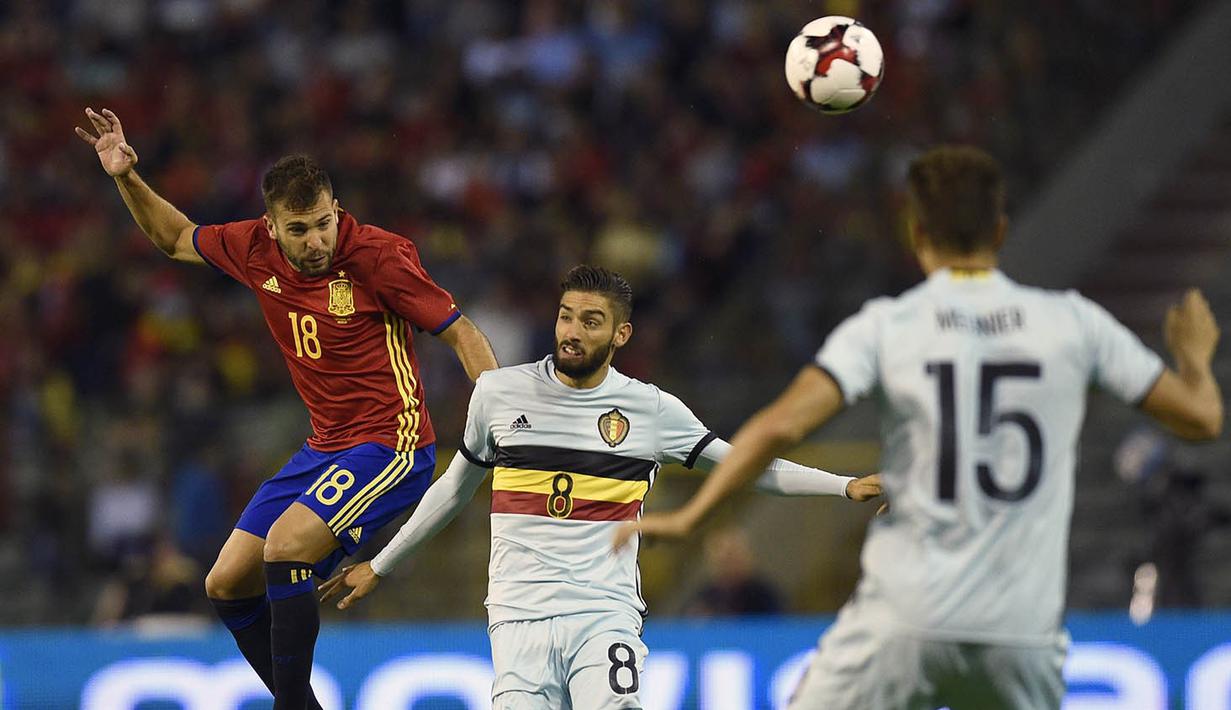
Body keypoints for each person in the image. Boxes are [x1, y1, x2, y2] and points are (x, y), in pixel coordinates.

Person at [615, 145, 1223, 710]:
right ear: (1002, 231)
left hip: (904, 620)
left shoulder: (888, 327)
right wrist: (1194, 357)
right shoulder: (1074, 324)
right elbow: (1202, 418)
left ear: (917, 234)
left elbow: (777, 428)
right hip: (1020, 632)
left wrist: (694, 518)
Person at [76, 107, 499, 710]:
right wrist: (124, 176)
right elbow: (173, 238)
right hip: (322, 449)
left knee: (285, 545)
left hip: (393, 444)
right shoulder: (251, 248)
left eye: (323, 223)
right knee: (225, 584)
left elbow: (463, 334)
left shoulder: (379, 256)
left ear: (337, 210)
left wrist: (499, 409)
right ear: (271, 227)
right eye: (298, 230)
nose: (315, 241)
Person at [318, 265, 883, 709]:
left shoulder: (651, 408)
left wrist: (843, 486)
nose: (572, 331)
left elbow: (744, 466)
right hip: (517, 615)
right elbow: (453, 489)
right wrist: (382, 563)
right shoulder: (498, 393)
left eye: (591, 321)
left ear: (621, 333)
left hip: (603, 612)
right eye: (566, 316)